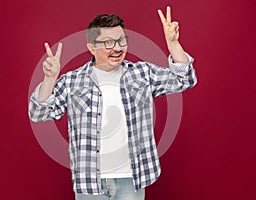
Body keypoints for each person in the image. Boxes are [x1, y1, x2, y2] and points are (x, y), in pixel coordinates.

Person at [29, 6, 197, 200]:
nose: (117, 48)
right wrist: (50, 79)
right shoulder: (72, 81)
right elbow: (38, 113)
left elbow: (185, 79)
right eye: (108, 43)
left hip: (131, 179)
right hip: (90, 182)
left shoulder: (142, 74)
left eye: (121, 41)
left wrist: (174, 44)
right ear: (92, 47)